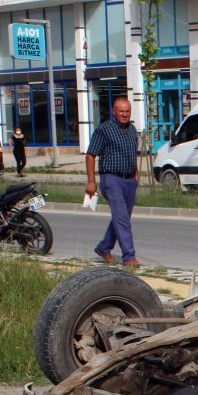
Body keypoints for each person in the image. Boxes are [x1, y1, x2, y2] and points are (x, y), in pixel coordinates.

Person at [85, 97, 140, 268]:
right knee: (122, 219)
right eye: (121, 111)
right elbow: (90, 155)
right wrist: (91, 182)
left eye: (127, 111)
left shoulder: (132, 130)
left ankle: (104, 247)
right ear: (113, 112)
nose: (124, 114)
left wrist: (136, 173)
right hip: (111, 179)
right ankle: (129, 256)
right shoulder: (104, 130)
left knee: (121, 217)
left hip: (129, 180)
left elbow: (133, 153)